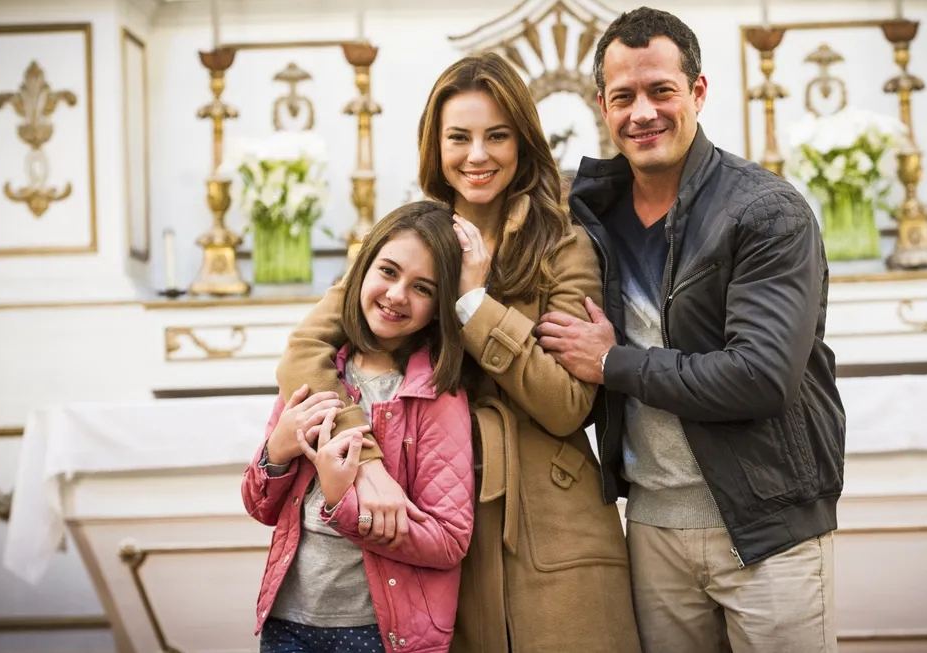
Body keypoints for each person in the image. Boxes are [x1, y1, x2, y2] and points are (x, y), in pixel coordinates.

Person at [275, 53, 641, 652]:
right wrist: (365, 460)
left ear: (522, 142)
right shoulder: (407, 241)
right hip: (427, 521)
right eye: (459, 137)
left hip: (550, 530)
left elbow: (566, 405)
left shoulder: (562, 246)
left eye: (497, 136)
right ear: (435, 144)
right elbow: (304, 351)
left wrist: (473, 304)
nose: (477, 155)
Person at [535, 7, 845, 652]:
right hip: (651, 526)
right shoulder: (590, 215)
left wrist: (613, 363)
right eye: (624, 97)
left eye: (661, 91)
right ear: (602, 106)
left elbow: (761, 378)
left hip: (768, 526)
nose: (642, 112)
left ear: (698, 92)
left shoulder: (766, 211)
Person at [242, 201, 475, 653]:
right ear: (361, 270)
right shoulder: (316, 373)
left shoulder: (436, 396)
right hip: (287, 620)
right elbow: (260, 507)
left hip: (378, 632)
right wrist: (278, 451)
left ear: (438, 306)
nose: (397, 294)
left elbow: (448, 541)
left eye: (422, 287)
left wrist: (342, 502)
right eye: (388, 271)